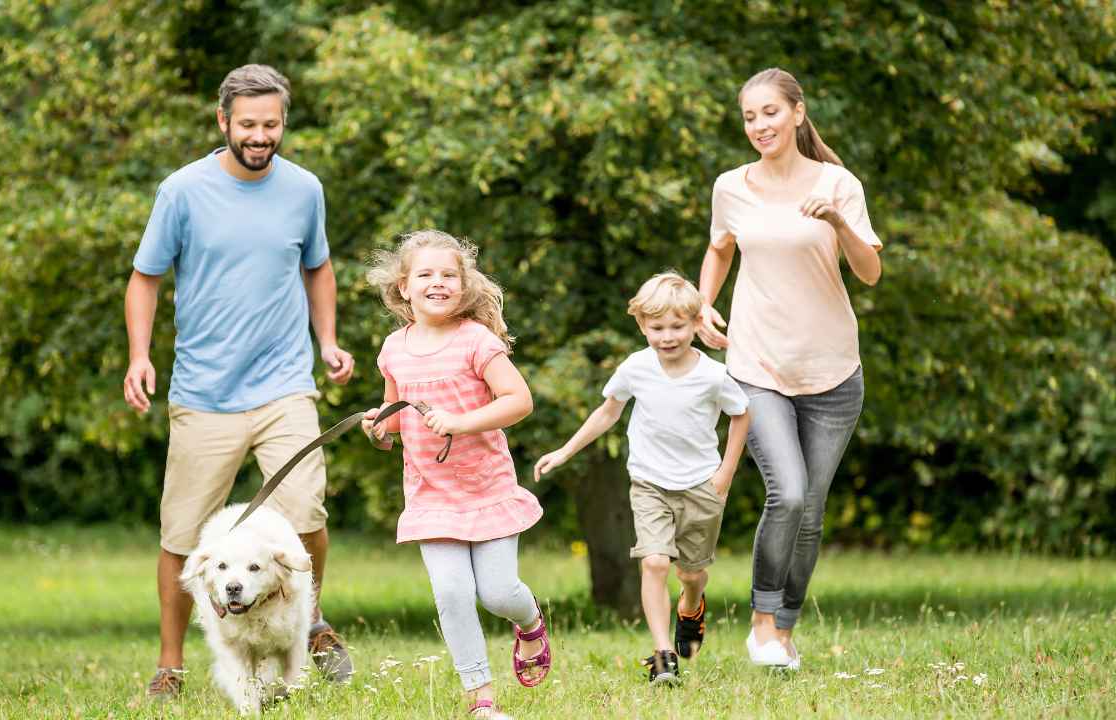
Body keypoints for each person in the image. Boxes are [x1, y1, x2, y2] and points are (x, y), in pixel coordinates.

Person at [122, 64, 356, 698]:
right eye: (248, 124)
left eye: (272, 124)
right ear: (222, 120)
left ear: (284, 123)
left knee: (307, 510)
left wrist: (327, 342)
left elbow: (319, 267)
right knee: (183, 533)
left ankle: (311, 623)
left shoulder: (304, 188)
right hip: (204, 395)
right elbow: (145, 278)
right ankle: (170, 666)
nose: (260, 136)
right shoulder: (182, 191)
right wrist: (139, 355)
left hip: (285, 384)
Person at [698, 67, 883, 670]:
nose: (759, 126)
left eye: (770, 113)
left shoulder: (837, 183)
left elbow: (870, 272)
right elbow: (719, 246)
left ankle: (784, 626)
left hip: (833, 370)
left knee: (812, 511)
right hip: (757, 362)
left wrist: (835, 220)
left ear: (798, 113)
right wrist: (704, 303)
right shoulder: (732, 186)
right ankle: (761, 622)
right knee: (790, 492)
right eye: (749, 116)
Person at [360, 230, 550, 720]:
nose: (438, 283)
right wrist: (379, 427)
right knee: (451, 593)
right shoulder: (393, 348)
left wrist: (462, 421)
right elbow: (395, 413)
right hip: (430, 495)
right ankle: (480, 699)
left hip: (486, 489)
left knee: (497, 593)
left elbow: (519, 400)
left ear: (463, 286)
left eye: (449, 275)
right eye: (425, 274)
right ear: (404, 287)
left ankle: (529, 622)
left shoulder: (475, 340)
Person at [535, 271, 750, 685]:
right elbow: (607, 413)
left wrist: (725, 472)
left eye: (677, 326)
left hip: (702, 485)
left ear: (694, 324)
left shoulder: (712, 374)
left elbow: (741, 413)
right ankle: (663, 653)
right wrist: (564, 450)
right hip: (649, 482)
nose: (667, 336)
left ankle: (692, 606)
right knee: (653, 562)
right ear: (642, 326)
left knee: (690, 573)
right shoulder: (636, 367)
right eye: (657, 328)